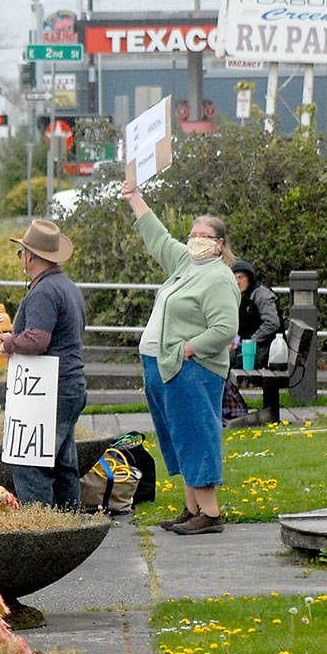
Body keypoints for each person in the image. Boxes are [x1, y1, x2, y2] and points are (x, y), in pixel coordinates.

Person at [121, 180, 239, 536]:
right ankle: (193, 509)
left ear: (219, 244)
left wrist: (187, 350)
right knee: (178, 437)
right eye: (193, 234)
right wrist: (134, 198)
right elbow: (158, 238)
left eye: (205, 236)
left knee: (197, 434)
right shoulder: (185, 264)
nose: (196, 240)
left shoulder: (218, 278)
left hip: (191, 369)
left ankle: (211, 513)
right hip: (163, 366)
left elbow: (224, 328)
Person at [0, 219, 89, 510]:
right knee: (63, 465)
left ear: (29, 256)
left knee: (31, 465)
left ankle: (41, 530)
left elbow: (37, 340)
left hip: (50, 390)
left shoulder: (44, 291)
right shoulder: (66, 286)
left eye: (21, 253)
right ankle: (67, 528)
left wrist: (9, 341)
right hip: (70, 384)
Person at [229, 260, 283, 369]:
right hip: (251, 348)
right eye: (235, 278)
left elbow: (272, 323)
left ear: (249, 278)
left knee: (225, 360)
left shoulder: (261, 295)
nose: (238, 282)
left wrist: (251, 341)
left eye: (241, 277)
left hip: (267, 350)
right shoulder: (239, 296)